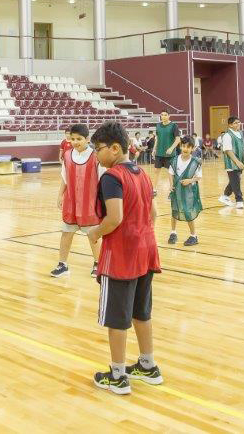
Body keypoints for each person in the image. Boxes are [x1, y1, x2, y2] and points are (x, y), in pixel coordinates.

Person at [86, 122, 162, 395]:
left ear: (115, 148)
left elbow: (114, 218)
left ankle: (117, 375)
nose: (96, 155)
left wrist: (94, 233)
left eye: (98, 149)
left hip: (121, 256)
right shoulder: (142, 173)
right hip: (146, 250)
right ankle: (147, 365)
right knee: (141, 312)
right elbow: (153, 214)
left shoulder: (111, 177)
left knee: (116, 317)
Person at [50, 123, 102, 278]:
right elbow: (64, 178)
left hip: (90, 204)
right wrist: (60, 195)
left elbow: (103, 180)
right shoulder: (67, 155)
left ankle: (98, 264)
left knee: (93, 235)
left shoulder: (96, 156)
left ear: (87, 139)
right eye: (72, 139)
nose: (75, 142)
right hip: (71, 203)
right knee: (66, 233)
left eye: (79, 139)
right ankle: (63, 264)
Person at [167, 136, 202, 246]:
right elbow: (170, 173)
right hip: (176, 191)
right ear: (180, 146)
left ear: (192, 148)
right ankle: (173, 233)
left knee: (188, 212)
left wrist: (190, 180)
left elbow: (199, 177)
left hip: (189, 191)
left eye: (188, 147)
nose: (185, 149)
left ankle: (193, 235)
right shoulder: (175, 159)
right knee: (175, 210)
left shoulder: (196, 162)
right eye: (183, 146)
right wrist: (171, 185)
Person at [219, 116, 244, 214]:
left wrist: (242, 160)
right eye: (235, 123)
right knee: (236, 180)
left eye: (238, 122)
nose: (238, 124)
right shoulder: (227, 135)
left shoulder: (240, 133)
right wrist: (237, 162)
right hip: (232, 162)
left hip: (240, 160)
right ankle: (239, 200)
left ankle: (225, 196)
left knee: (235, 180)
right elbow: (228, 150)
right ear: (230, 125)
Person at [150, 111, 181, 193]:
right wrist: (154, 149)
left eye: (165, 115)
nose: (163, 116)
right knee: (156, 171)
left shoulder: (174, 126)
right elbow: (157, 138)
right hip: (159, 153)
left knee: (170, 173)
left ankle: (172, 190)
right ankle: (154, 189)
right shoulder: (158, 125)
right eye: (162, 115)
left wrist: (171, 148)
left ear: (169, 116)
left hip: (170, 154)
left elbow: (178, 140)